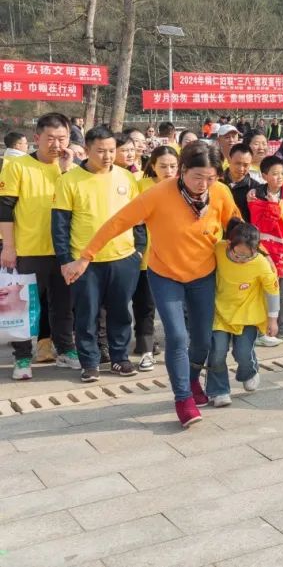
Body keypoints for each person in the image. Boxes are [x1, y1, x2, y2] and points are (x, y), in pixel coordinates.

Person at [65, 142, 241, 427]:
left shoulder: (220, 192)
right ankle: (183, 398)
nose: (203, 184)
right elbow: (117, 223)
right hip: (165, 275)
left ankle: (192, 378)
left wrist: (250, 248)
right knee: (177, 337)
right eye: (197, 177)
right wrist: (86, 257)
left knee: (201, 339)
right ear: (183, 170)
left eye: (210, 177)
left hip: (203, 275)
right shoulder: (158, 194)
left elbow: (234, 223)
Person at [53, 126, 144, 381]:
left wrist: (139, 250)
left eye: (112, 150)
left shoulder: (126, 177)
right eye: (101, 151)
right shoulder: (69, 180)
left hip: (123, 258)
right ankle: (90, 362)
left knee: (120, 312)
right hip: (85, 263)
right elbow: (60, 224)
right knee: (86, 314)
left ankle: (120, 358)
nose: (107, 156)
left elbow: (138, 219)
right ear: (87, 150)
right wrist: (65, 260)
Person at [1, 113, 80, 380]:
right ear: (37, 138)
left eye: (62, 138)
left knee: (63, 305)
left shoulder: (72, 169)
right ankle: (23, 357)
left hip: (64, 251)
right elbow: (5, 209)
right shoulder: (18, 166)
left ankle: (66, 350)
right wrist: (8, 247)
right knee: (23, 307)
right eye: (50, 138)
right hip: (29, 249)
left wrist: (67, 169)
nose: (57, 144)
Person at [206, 219, 278, 407]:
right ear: (229, 244)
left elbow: (272, 291)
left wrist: (273, 320)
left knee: (243, 352)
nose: (241, 259)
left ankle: (249, 372)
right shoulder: (219, 249)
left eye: (248, 256)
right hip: (220, 313)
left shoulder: (261, 263)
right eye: (237, 255)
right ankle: (219, 390)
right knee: (217, 352)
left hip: (248, 315)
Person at [132, 146, 178, 369]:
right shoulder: (141, 186)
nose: (168, 171)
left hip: (178, 257)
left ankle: (179, 347)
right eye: (163, 166)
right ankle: (146, 350)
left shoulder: (184, 186)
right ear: (152, 166)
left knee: (176, 307)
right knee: (146, 306)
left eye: (173, 166)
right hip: (148, 257)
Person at [248, 155, 283, 345]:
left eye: (282, 173)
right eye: (275, 174)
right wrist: (271, 205)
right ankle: (262, 332)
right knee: (266, 293)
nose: (279, 177)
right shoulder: (256, 196)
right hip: (267, 253)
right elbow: (261, 224)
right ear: (264, 176)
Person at [222, 143, 255, 221]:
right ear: (229, 160)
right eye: (237, 163)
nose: (241, 169)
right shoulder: (216, 182)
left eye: (245, 165)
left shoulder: (255, 188)